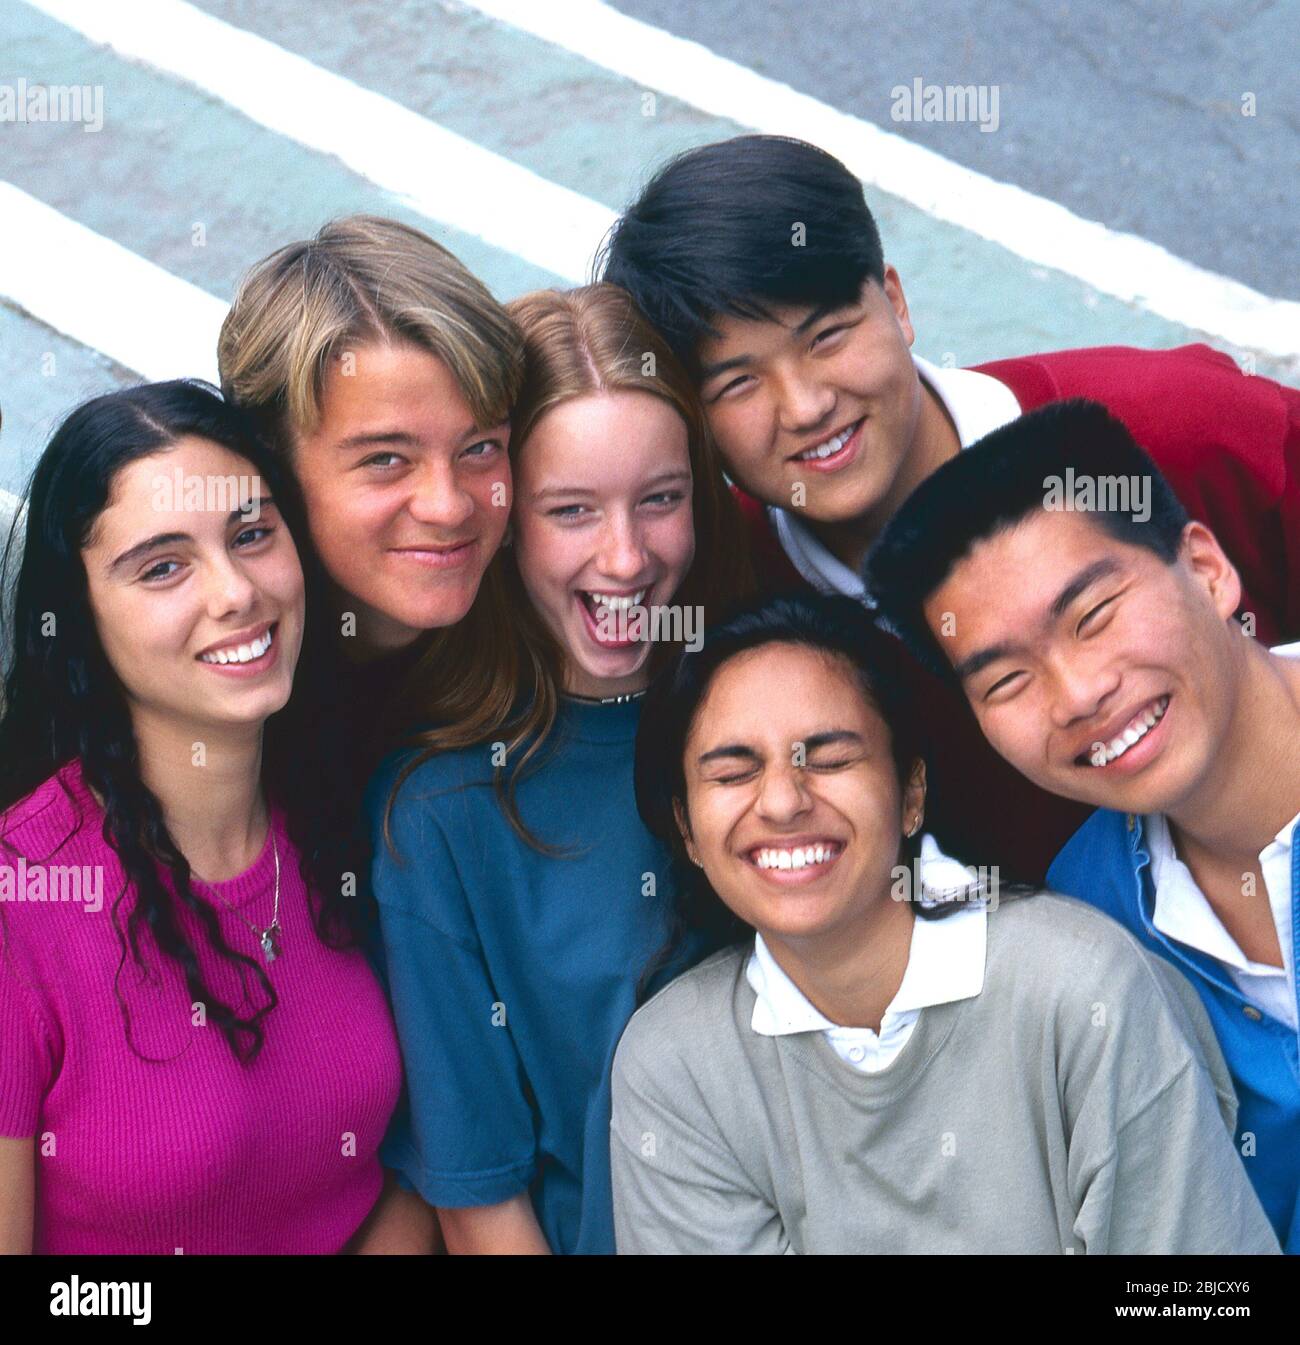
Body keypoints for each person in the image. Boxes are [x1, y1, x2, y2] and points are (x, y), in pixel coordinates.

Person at [599, 133, 1300, 880]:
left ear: (896, 302)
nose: (805, 406)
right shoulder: (725, 599)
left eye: (828, 336)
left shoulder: (1180, 425)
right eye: (737, 383)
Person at [610, 591, 1279, 1254]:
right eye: (732, 772)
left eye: (833, 758)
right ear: (688, 831)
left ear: (910, 793)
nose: (783, 801)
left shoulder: (1080, 987)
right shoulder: (675, 1064)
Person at [0, 382, 430, 1255]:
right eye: (163, 565)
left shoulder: (358, 817)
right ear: (80, 617)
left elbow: (409, 1173)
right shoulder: (22, 905)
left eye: (252, 534)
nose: (235, 591)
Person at [369, 284, 751, 1254]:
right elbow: (478, 1194)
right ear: (502, 524)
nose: (625, 558)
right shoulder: (440, 815)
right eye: (571, 509)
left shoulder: (777, 697)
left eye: (660, 500)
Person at [867, 398, 1300, 1251]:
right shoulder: (1085, 922)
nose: (1077, 695)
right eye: (1004, 681)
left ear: (1207, 571)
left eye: (1093, 617)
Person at [218, 215, 525, 758]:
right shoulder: (213, 677)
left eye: (479, 449)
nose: (448, 506)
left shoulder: (560, 622)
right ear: (271, 466)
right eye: (386, 459)